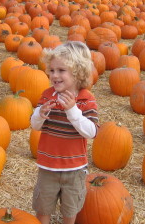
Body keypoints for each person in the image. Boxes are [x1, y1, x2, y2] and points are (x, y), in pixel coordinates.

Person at [31, 41, 98, 224]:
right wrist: (39, 114)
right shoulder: (47, 95)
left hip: (74, 169)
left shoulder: (85, 100)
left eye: (61, 70)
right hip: (48, 167)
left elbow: (92, 131)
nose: (55, 75)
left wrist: (72, 111)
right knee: (43, 206)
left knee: (70, 209)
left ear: (78, 73)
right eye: (52, 70)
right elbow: (35, 126)